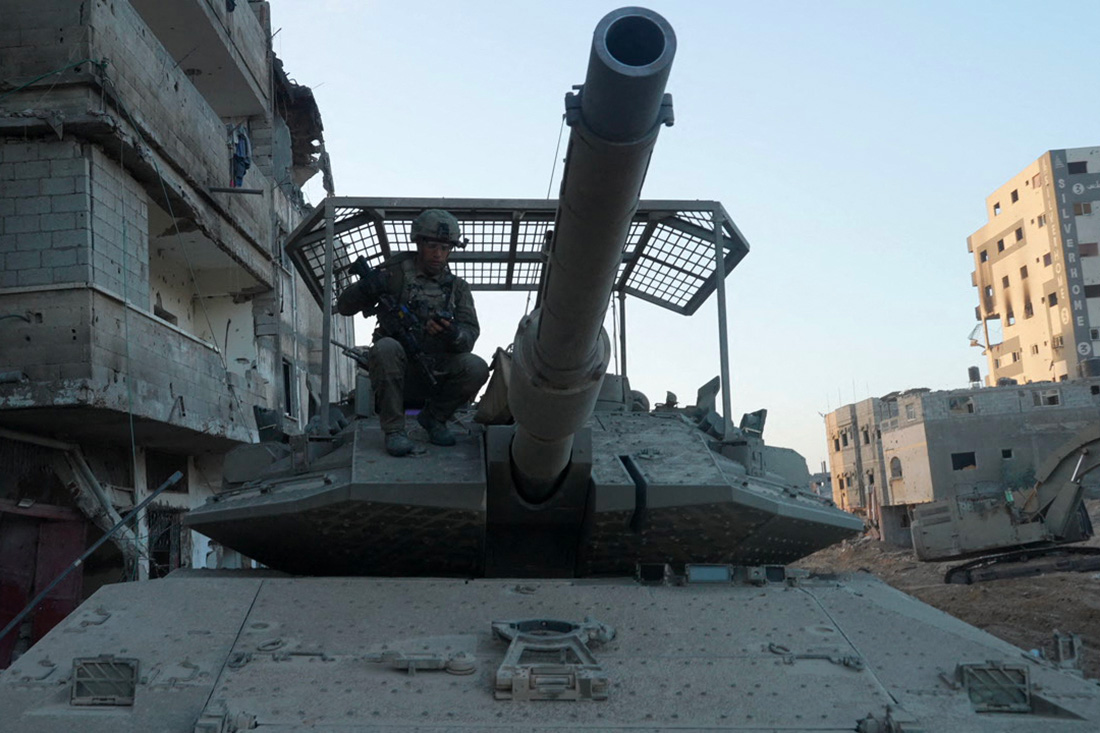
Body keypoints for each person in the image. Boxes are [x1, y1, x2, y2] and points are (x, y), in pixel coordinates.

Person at [336, 209, 489, 456]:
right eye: (432, 246)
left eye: (445, 248)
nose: (438, 254)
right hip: (396, 368)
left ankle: (434, 418)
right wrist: (365, 287)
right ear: (419, 244)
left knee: (477, 367)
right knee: (385, 347)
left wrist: (452, 334)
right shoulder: (394, 273)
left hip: (436, 370)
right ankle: (394, 431)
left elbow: (470, 334)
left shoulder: (457, 288)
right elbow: (344, 307)